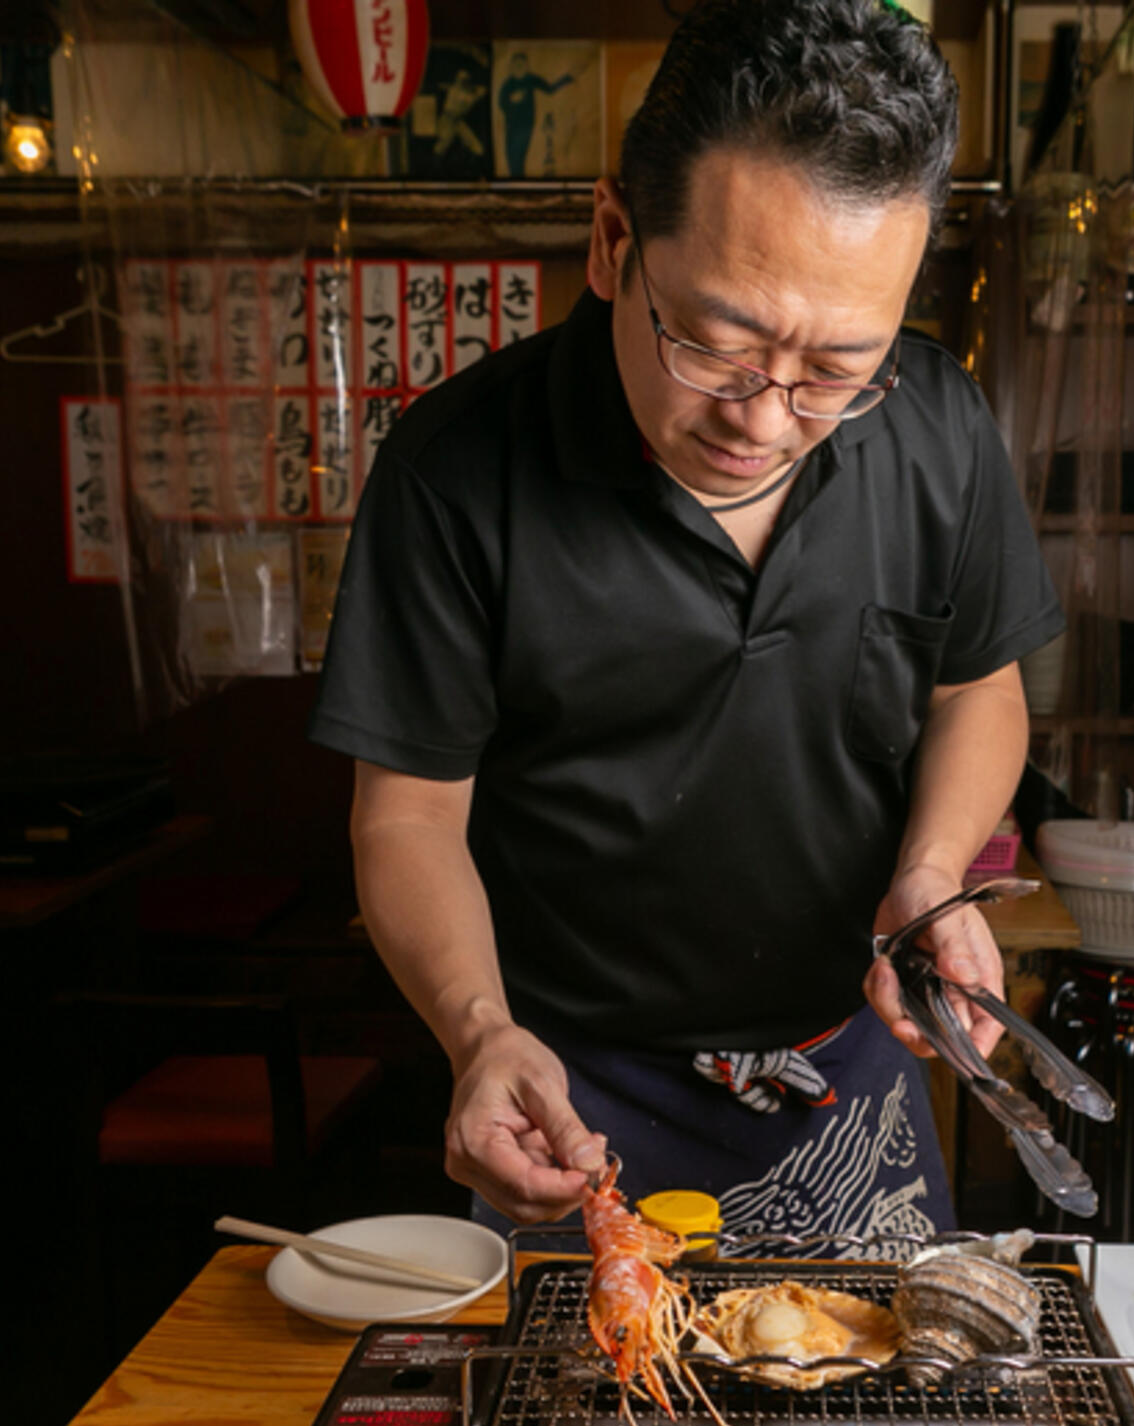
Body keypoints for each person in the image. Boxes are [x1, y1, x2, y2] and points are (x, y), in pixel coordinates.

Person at [310, 0, 1063, 1253]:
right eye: (714, 345)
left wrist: (930, 876)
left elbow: (975, 688)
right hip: (567, 1096)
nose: (764, 418)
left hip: (851, 1065)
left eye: (834, 369)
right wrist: (476, 1030)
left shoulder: (932, 424)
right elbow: (406, 814)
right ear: (613, 240)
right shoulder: (459, 470)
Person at [496, 51, 575, 177]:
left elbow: (549, 88)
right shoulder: (508, 84)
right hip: (511, 126)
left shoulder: (531, 79)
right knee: (511, 158)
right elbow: (501, 103)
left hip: (525, 125)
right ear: (512, 67)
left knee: (519, 156)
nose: (519, 68)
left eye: (522, 65)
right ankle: (515, 186)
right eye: (517, 65)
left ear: (527, 66)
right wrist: (512, 101)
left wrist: (567, 78)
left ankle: (519, 185)